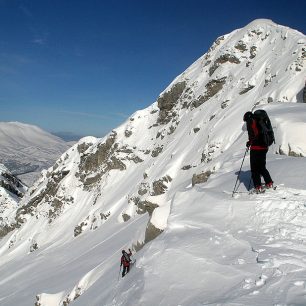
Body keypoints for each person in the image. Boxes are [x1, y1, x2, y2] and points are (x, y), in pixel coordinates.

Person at [243, 111, 273, 193]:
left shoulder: (250, 121)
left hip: (256, 148)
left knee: (254, 168)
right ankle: (269, 183)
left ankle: (258, 186)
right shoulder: (259, 121)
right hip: (264, 147)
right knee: (262, 166)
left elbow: (254, 135)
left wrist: (249, 142)